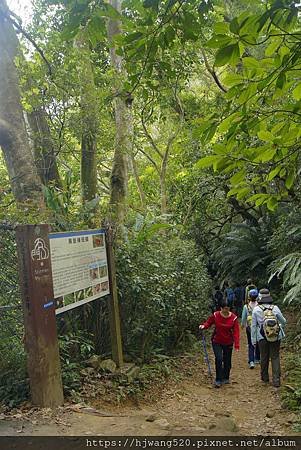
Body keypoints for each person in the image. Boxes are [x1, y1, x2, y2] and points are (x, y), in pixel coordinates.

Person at [199, 299, 240, 388]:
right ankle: (218, 379)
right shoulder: (216, 315)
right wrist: (203, 326)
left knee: (227, 361)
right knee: (218, 358)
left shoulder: (233, 318)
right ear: (221, 308)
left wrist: (237, 344)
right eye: (224, 308)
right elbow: (208, 323)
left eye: (227, 308)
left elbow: (236, 331)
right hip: (217, 341)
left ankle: (226, 377)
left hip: (228, 341)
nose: (226, 310)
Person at [251, 288, 286, 387]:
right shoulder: (275, 308)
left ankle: (265, 378)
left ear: (259, 297)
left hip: (262, 336)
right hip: (275, 336)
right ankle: (276, 380)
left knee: (264, 357)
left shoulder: (256, 309)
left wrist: (253, 340)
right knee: (275, 357)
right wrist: (279, 326)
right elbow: (283, 321)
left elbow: (253, 326)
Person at [241, 288, 260, 369]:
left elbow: (243, 318)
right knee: (258, 341)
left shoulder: (246, 306)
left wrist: (242, 325)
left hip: (249, 327)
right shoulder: (259, 306)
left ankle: (251, 361)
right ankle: (257, 358)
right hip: (258, 326)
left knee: (250, 343)